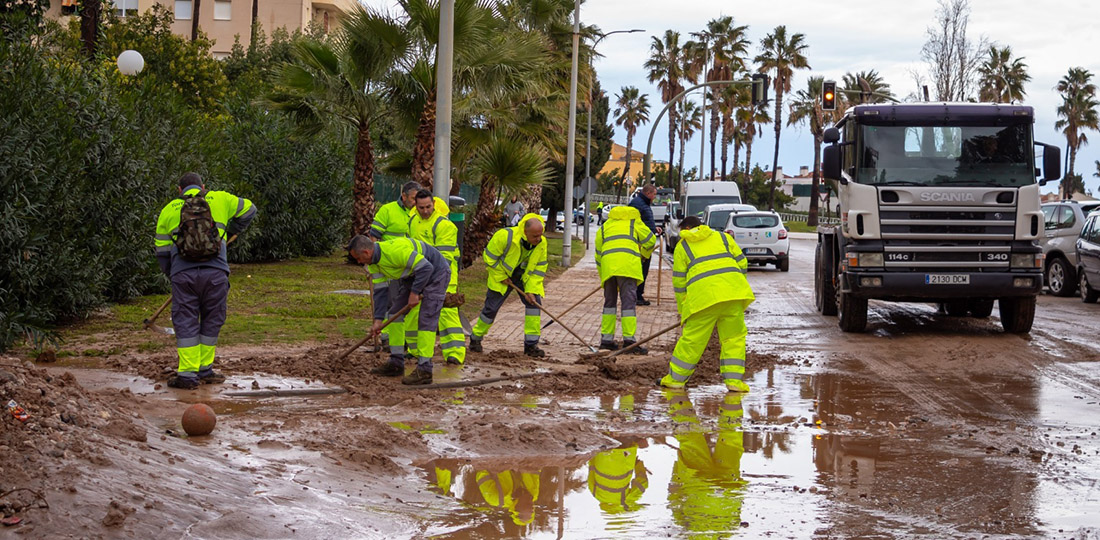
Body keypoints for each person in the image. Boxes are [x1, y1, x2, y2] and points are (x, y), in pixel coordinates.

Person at [155, 172, 256, 390]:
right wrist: (228, 234)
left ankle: (188, 375)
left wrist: (172, 274)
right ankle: (205, 369)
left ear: (179, 190)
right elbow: (250, 209)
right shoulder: (221, 199)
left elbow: (161, 251)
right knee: (212, 319)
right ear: (203, 186)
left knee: (186, 321)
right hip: (216, 274)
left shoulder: (168, 210)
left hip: (183, 276)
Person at [660, 215, 754, 392]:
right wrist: (733, 284)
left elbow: (680, 283)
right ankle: (734, 382)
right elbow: (742, 263)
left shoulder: (683, 246)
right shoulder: (723, 238)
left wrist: (683, 310)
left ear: (687, 229)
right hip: (733, 295)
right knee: (734, 338)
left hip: (703, 299)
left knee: (692, 340)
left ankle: (675, 379)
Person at [348, 235, 450, 385]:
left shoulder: (394, 251)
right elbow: (381, 293)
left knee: (426, 319)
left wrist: (415, 293)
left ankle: (425, 370)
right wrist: (378, 321)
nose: (358, 262)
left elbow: (426, 267)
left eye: (358, 258)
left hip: (436, 273)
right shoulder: (374, 265)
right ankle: (396, 363)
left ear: (366, 252)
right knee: (394, 315)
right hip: (414, 276)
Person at [469, 213, 548, 358]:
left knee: (534, 304)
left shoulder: (541, 243)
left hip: (523, 277)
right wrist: (501, 276)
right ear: (525, 232)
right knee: (491, 309)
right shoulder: (505, 236)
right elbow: (489, 258)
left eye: (540, 235)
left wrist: (531, 290)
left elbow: (538, 269)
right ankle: (475, 338)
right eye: (535, 236)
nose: (539, 239)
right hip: (501, 275)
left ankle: (531, 345)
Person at [405, 190, 466, 365]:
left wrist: (428, 280)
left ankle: (455, 352)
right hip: (420, 274)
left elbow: (443, 259)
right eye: (421, 207)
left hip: (444, 276)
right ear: (415, 206)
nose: (425, 211)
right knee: (414, 312)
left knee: (447, 313)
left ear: (434, 204)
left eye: (428, 207)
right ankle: (415, 349)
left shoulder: (444, 226)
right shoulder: (412, 221)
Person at [366, 181, 420, 356]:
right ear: (403, 196)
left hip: (409, 265)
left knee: (406, 303)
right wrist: (375, 262)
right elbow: (374, 237)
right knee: (391, 300)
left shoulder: (417, 214)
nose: (415, 202)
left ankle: (402, 338)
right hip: (389, 264)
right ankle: (387, 336)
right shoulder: (388, 211)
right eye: (413, 199)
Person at [595, 205, 656, 352]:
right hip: (628, 268)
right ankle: (629, 341)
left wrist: (603, 274)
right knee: (628, 305)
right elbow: (651, 240)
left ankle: (606, 340)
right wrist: (644, 255)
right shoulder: (634, 222)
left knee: (609, 303)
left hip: (609, 268)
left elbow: (598, 253)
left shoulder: (605, 226)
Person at [628, 184, 662, 305]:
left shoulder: (642, 203)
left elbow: (644, 223)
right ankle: (636, 296)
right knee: (640, 271)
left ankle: (638, 295)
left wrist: (654, 228)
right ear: (648, 193)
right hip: (640, 245)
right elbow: (636, 224)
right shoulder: (638, 204)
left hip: (644, 245)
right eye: (654, 194)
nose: (654, 197)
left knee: (643, 270)